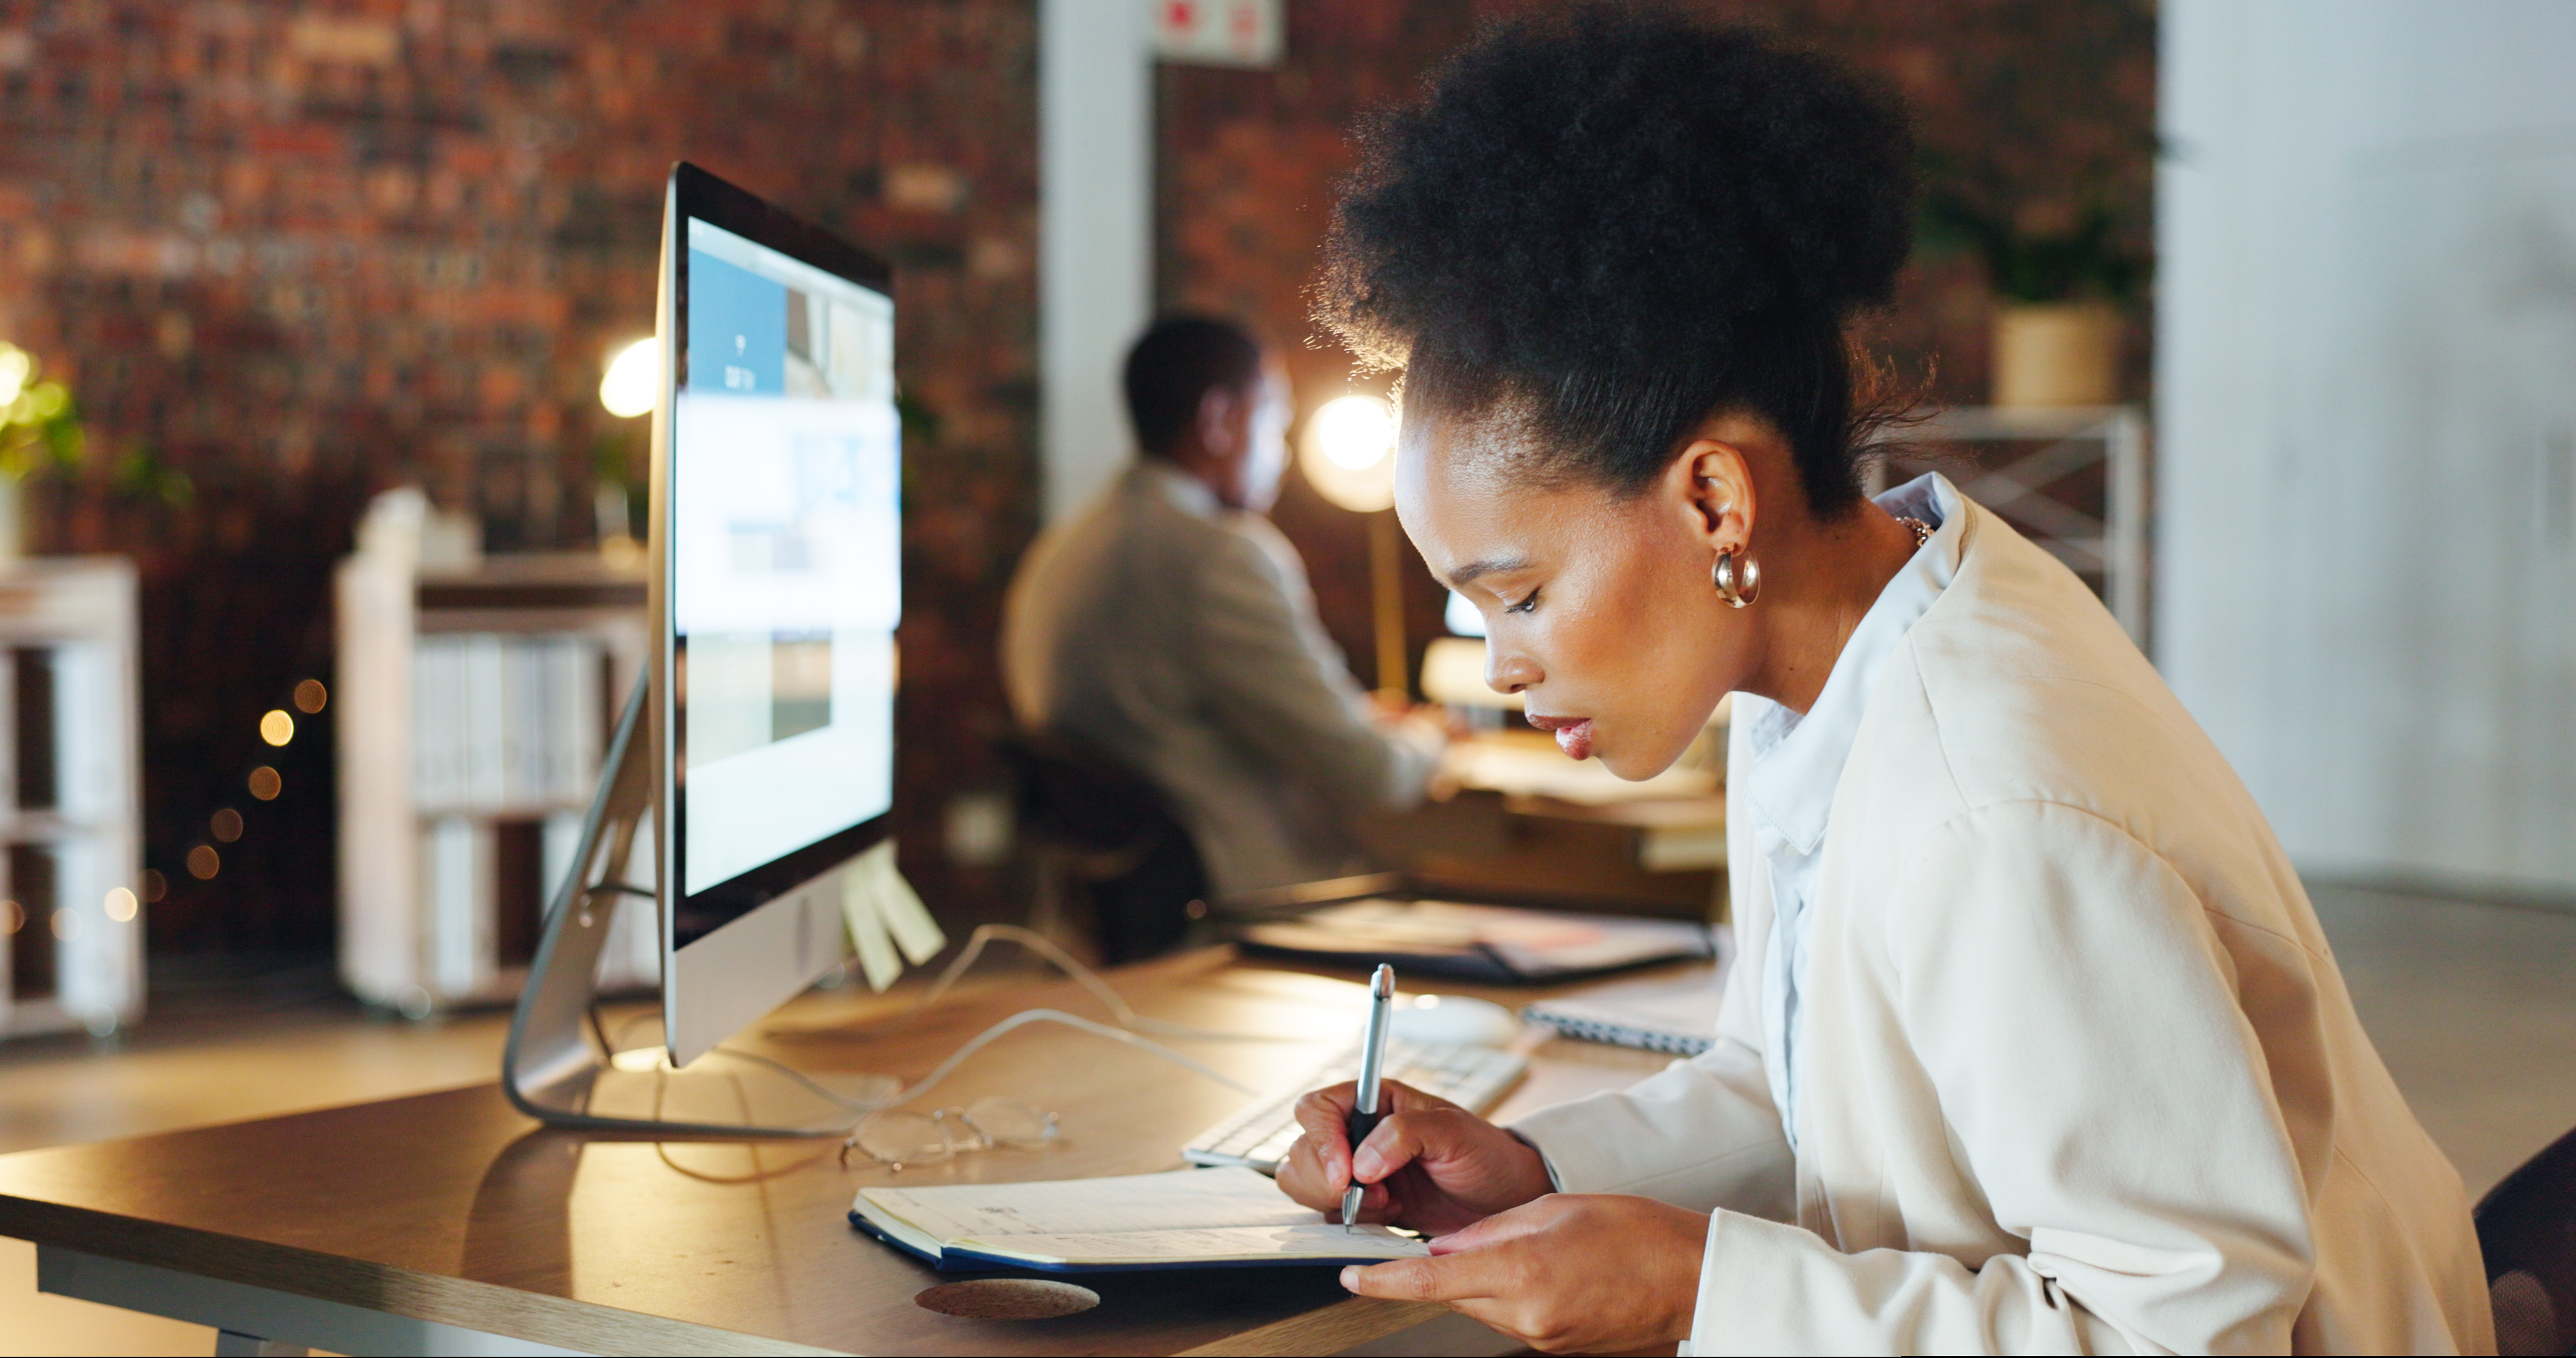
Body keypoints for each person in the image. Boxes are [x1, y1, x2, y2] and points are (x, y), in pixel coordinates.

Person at [1272, 9, 2491, 1354]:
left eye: (1520, 593)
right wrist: (1531, 1169)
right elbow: (1801, 1088)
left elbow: (2180, 1332)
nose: (1500, 664)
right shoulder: (1842, 650)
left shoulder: (1988, 807)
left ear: (1713, 501)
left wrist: (1696, 1290)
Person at [1001, 315, 1444, 903]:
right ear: (1219, 421)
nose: (1283, 455)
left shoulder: (1066, 545)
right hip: (1242, 897)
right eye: (1275, 424)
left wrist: (1353, 716)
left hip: (1109, 905)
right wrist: (1430, 737)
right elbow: (1372, 774)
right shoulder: (1217, 555)